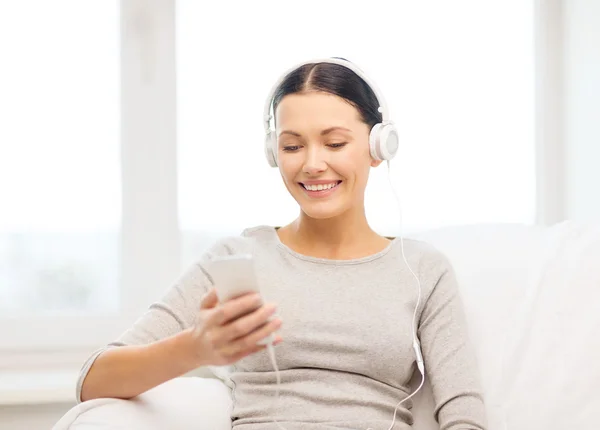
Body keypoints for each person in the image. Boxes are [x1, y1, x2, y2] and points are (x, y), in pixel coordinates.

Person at [77, 57, 487, 430]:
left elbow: (463, 413)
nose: (311, 163)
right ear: (274, 153)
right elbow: (93, 380)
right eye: (292, 146)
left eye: (335, 142)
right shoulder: (236, 259)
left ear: (379, 146)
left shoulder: (422, 269)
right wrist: (194, 348)